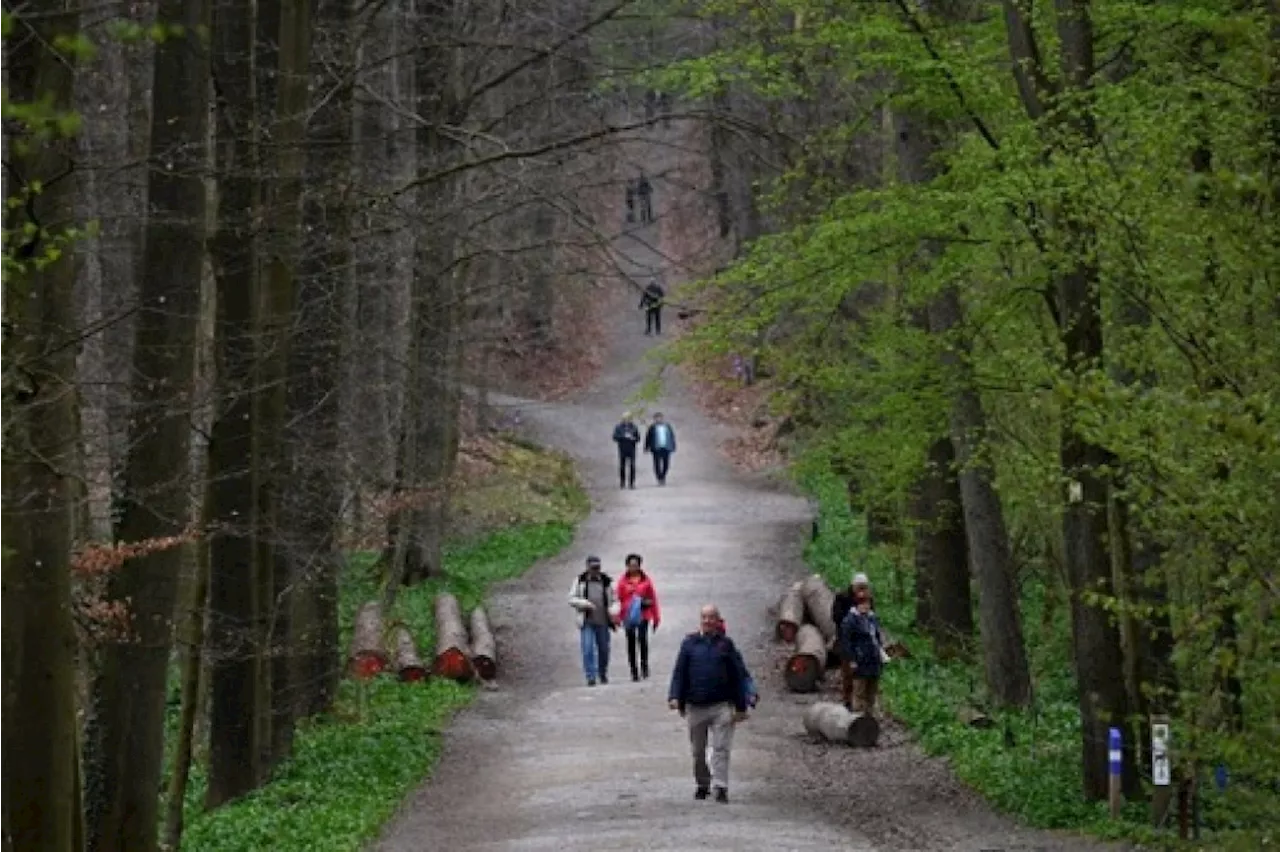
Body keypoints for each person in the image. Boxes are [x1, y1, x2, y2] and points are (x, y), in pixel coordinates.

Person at [668, 604, 751, 803]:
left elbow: (737, 676)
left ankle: (721, 786)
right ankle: (703, 783)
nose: (707, 621)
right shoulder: (689, 644)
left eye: (711, 617)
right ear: (700, 620)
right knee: (698, 751)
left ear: (718, 620)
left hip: (721, 705)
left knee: (721, 747)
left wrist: (741, 706)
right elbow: (679, 673)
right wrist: (674, 696)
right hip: (695, 705)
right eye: (704, 617)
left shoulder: (726, 645)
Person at [567, 555, 619, 686]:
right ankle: (590, 676)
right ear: (588, 567)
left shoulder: (607, 581)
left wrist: (613, 610)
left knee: (604, 649)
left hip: (603, 620)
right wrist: (584, 603)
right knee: (587, 648)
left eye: (598, 567)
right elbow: (571, 599)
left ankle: (602, 673)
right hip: (587, 620)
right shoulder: (579, 581)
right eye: (593, 567)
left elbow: (616, 600)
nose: (596, 570)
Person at [839, 583, 886, 715]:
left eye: (868, 604)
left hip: (873, 659)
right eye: (864, 604)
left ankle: (870, 716)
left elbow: (877, 638)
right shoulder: (850, 620)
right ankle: (857, 718)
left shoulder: (872, 619)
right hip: (860, 659)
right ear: (857, 605)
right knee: (859, 690)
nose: (866, 607)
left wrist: (880, 654)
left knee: (872, 691)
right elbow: (847, 642)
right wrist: (852, 659)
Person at [615, 553, 661, 681]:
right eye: (631, 565)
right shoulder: (622, 582)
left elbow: (653, 598)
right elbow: (617, 600)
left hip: (643, 614)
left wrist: (656, 617)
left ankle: (644, 666)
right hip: (628, 615)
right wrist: (617, 617)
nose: (633, 568)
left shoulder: (646, 580)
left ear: (639, 566)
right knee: (630, 642)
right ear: (627, 566)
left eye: (635, 565)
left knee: (642, 639)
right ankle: (634, 671)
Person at [832, 572, 871, 710]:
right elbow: (836, 617)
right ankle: (847, 701)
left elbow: (872, 618)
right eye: (859, 587)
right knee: (848, 673)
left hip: (864, 643)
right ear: (853, 586)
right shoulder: (842, 598)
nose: (862, 590)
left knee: (863, 675)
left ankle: (863, 705)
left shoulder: (868, 599)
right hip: (846, 641)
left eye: (864, 587)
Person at [643, 412, 676, 485]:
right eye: (657, 418)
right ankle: (659, 478)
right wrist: (646, 447)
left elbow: (672, 436)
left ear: (662, 418)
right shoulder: (652, 427)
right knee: (657, 464)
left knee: (666, 464)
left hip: (666, 447)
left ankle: (663, 476)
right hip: (656, 448)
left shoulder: (667, 426)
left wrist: (673, 446)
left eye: (660, 418)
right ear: (654, 419)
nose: (659, 419)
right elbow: (648, 437)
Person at [613, 412, 641, 489]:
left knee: (632, 466)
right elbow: (615, 437)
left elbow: (638, 438)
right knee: (622, 466)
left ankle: (631, 483)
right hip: (622, 449)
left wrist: (633, 438)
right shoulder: (618, 427)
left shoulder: (634, 427)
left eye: (628, 418)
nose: (627, 420)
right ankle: (622, 482)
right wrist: (623, 437)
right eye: (625, 418)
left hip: (632, 449)